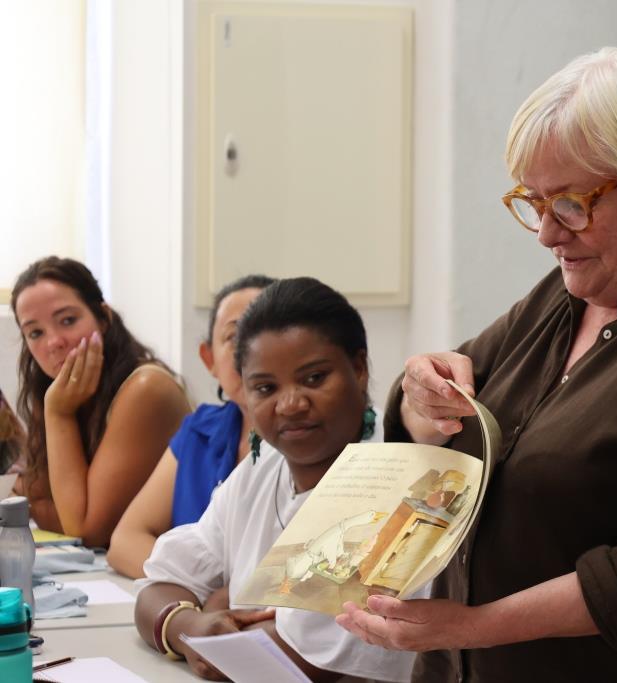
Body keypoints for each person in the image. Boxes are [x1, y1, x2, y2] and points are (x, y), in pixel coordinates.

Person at [337, 47, 617, 681]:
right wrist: (420, 393)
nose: (547, 233)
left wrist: (474, 626)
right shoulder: (575, 288)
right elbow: (442, 403)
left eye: (572, 203)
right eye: (533, 202)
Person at [134, 277, 415, 682]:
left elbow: (306, 657)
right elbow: (158, 587)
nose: (291, 404)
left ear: (358, 368)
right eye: (265, 387)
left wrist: (208, 622)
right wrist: (191, 625)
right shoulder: (261, 466)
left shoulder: (392, 477)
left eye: (314, 378)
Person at [10, 256, 190, 547]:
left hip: (173, 567)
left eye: (68, 320)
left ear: (103, 318)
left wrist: (58, 414)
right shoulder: (58, 390)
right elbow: (33, 496)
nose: (53, 342)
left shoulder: (147, 388)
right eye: (35, 333)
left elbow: (86, 531)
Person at [108, 275, 275, 579]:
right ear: (209, 359)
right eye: (235, 335)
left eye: (266, 331)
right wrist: (198, 592)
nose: (251, 350)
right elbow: (125, 541)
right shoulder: (199, 431)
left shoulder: (310, 441)